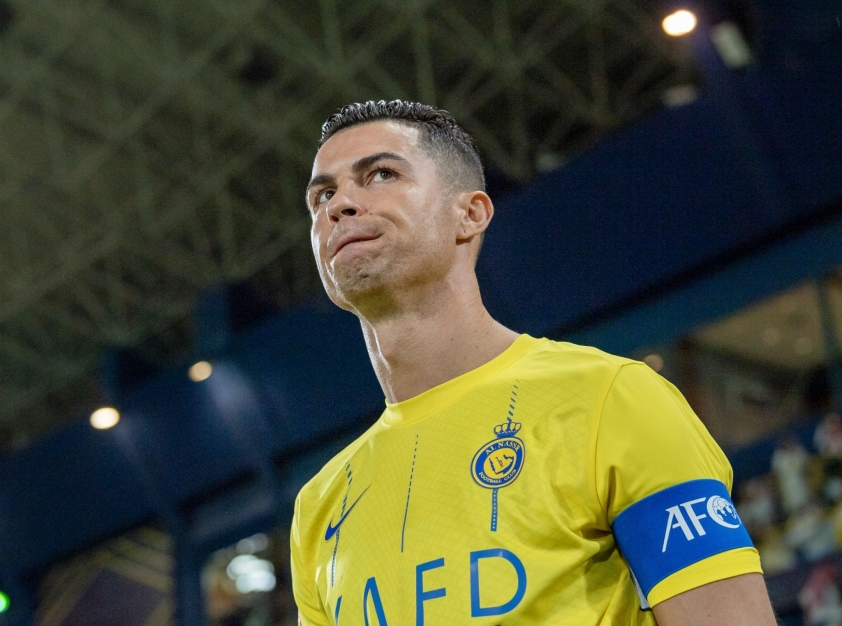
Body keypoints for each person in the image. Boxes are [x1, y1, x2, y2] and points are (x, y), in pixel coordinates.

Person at [290, 100, 776, 625]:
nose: (340, 205)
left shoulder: (610, 400)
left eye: (381, 174)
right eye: (323, 195)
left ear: (470, 214)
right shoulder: (319, 507)